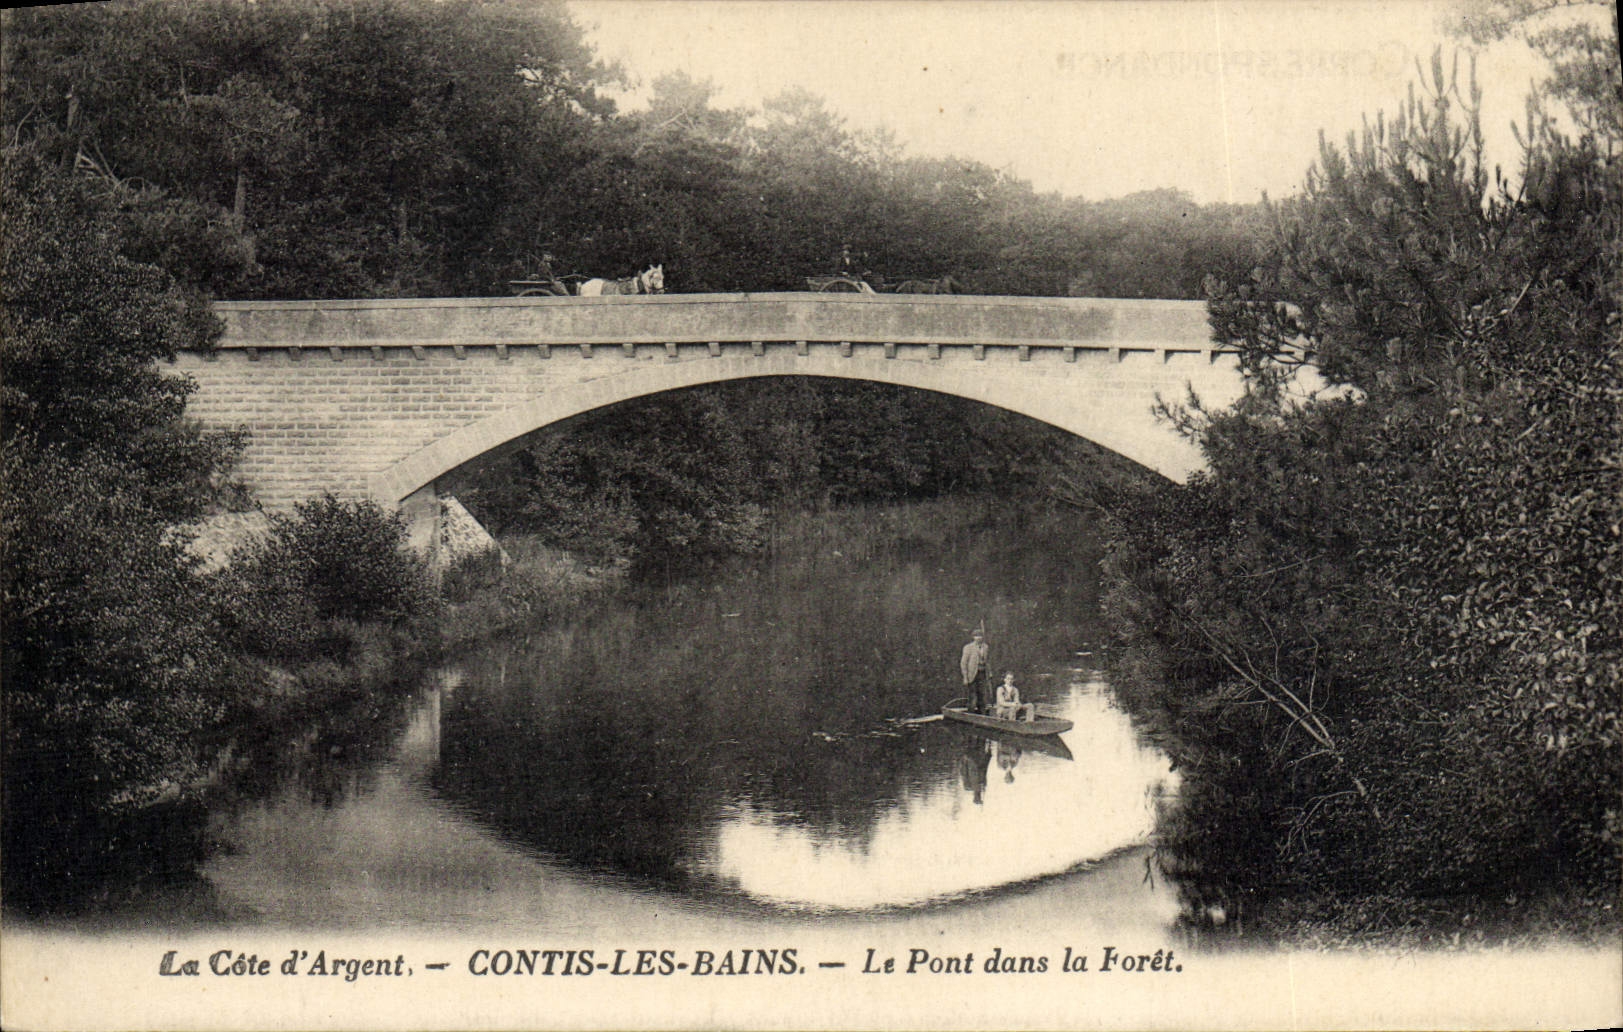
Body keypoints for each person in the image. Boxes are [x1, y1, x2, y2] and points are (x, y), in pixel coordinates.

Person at [960, 628, 990, 713]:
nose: (978, 638)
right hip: (972, 675)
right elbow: (963, 663)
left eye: (980, 636)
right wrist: (965, 677)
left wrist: (989, 673)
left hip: (982, 674)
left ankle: (982, 714)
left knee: (982, 695)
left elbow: (987, 661)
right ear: (973, 637)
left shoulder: (985, 647)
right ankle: (971, 714)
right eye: (976, 636)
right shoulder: (968, 647)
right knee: (972, 696)